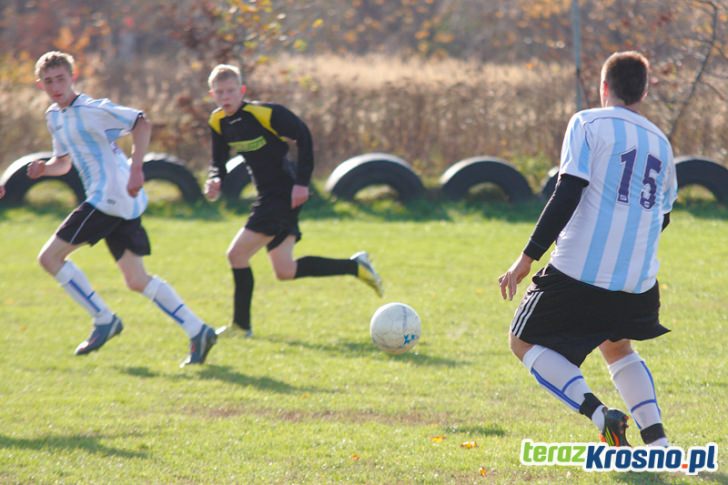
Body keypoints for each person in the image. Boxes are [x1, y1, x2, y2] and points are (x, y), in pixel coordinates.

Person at [499, 51, 677, 447]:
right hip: (639, 280)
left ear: (603, 87)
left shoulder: (587, 122)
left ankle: (601, 414)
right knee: (617, 346)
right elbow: (662, 216)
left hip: (579, 271)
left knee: (521, 341)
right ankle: (658, 443)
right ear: (644, 91)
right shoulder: (661, 144)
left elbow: (568, 191)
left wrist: (527, 257)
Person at [30, 51, 219, 367]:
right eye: (48, 81)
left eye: (60, 78)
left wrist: (137, 169)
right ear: (40, 85)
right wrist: (44, 170)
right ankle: (198, 329)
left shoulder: (92, 109)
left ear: (72, 77)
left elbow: (140, 122)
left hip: (108, 197)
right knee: (136, 278)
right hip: (119, 201)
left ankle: (104, 319)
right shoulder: (54, 116)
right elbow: (63, 163)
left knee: (49, 258)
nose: (55, 85)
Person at [204, 64, 383, 338]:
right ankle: (355, 266)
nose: (226, 96)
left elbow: (303, 135)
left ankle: (241, 327)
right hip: (267, 194)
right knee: (285, 270)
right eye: (220, 92)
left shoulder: (264, 113)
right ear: (212, 94)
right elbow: (218, 159)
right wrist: (215, 178)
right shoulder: (218, 121)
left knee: (236, 254)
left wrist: (301, 183)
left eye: (230, 91)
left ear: (242, 90)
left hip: (283, 192)